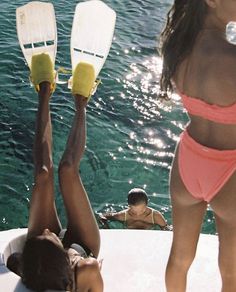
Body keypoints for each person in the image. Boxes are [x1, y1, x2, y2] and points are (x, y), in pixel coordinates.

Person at [7, 53, 103, 291]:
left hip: (44, 262)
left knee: (42, 173)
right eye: (51, 235)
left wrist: (37, 249)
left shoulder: (28, 268)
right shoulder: (86, 270)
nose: (50, 230)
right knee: (68, 169)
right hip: (83, 244)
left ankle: (44, 89)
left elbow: (12, 260)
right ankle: (82, 100)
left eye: (46, 234)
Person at [160, 1, 236, 291]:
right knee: (232, 271)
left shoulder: (178, 49)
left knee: (179, 258)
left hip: (188, 161)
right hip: (230, 171)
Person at [98, 188, 171, 230]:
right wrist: (106, 227)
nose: (138, 214)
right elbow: (103, 216)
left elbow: (166, 229)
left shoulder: (155, 216)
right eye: (134, 211)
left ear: (147, 203)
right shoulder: (124, 215)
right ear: (129, 206)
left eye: (142, 210)